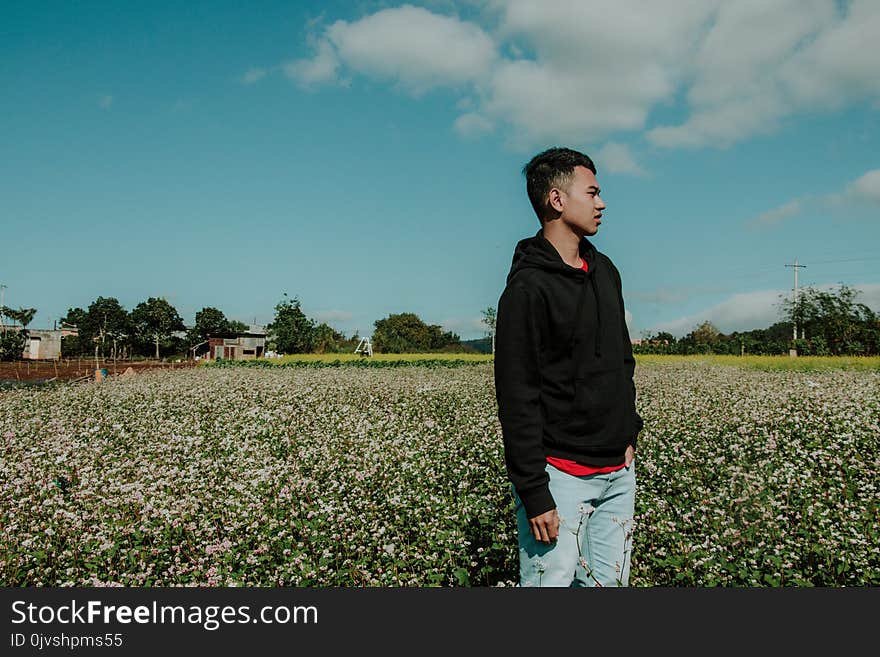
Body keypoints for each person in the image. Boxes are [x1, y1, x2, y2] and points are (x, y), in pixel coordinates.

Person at [494, 146, 643, 587]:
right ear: (556, 201)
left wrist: (628, 433)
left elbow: (622, 362)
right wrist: (535, 493)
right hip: (560, 479)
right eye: (592, 192)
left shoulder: (606, 271)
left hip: (617, 473)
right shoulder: (527, 289)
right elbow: (517, 395)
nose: (602, 203)